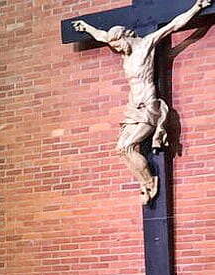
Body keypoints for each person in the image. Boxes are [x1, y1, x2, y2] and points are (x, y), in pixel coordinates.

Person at [72, 0, 212, 203]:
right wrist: (86, 27)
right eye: (113, 46)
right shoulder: (124, 52)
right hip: (132, 107)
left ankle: (150, 181)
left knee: (128, 146)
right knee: (121, 149)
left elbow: (173, 25)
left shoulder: (146, 45)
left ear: (125, 36)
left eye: (117, 44)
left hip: (147, 105)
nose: (116, 49)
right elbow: (102, 36)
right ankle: (144, 182)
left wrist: (196, 8)